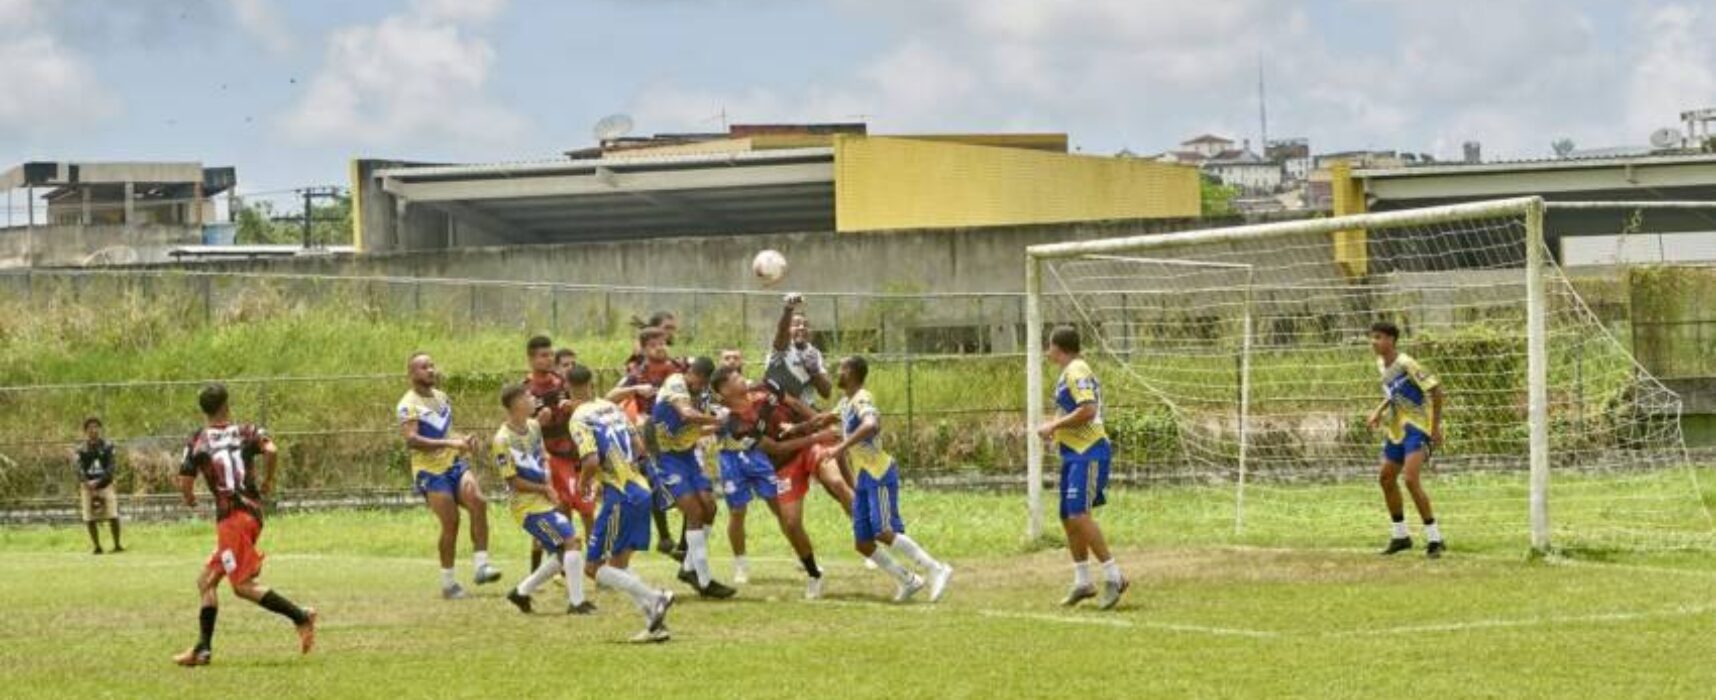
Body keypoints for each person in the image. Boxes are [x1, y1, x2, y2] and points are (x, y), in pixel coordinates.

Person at [172, 383, 316, 667]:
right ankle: (202, 649)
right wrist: (268, 480)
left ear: (203, 410)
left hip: (232, 517)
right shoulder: (246, 430)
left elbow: (186, 481)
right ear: (226, 405)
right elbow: (272, 450)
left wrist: (189, 498)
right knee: (206, 581)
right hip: (250, 513)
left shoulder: (197, 440)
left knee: (241, 586)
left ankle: (301, 616)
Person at [827, 355, 953, 603]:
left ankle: (935, 568)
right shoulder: (845, 403)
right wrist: (795, 428)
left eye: (841, 368)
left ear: (851, 372)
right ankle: (908, 580)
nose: (837, 372)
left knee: (883, 531)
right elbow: (822, 418)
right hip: (864, 477)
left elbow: (871, 424)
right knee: (863, 543)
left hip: (879, 473)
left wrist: (840, 447)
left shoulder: (862, 398)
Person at [566, 365, 676, 643]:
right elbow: (639, 445)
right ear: (592, 383)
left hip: (621, 495)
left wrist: (584, 483)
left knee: (594, 568)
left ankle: (656, 596)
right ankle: (655, 624)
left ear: (569, 387)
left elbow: (590, 460)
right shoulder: (611, 408)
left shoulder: (578, 418)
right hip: (640, 490)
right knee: (619, 563)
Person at [711, 366, 833, 597]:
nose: (742, 376)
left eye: (740, 371)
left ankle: (804, 558)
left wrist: (820, 422)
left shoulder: (763, 387)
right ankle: (741, 564)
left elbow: (795, 404)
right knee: (737, 512)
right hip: (733, 458)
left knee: (783, 512)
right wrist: (817, 436)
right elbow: (775, 447)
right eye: (736, 376)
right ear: (725, 390)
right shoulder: (733, 422)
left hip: (765, 457)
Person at [1035, 326, 1128, 609]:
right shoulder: (1070, 372)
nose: (1047, 351)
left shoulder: (1076, 370)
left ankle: (1115, 576)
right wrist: (1057, 428)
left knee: (1078, 513)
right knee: (1067, 515)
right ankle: (1082, 581)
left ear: (1057, 347)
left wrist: (1054, 425)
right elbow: (1074, 408)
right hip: (1074, 454)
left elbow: (1088, 409)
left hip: (1089, 452)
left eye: (1049, 346)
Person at [397, 352, 501, 599]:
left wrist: (462, 439)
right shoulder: (407, 404)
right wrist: (451, 443)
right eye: (424, 367)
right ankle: (448, 584)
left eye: (432, 365)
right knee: (451, 523)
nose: (431, 370)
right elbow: (412, 440)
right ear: (412, 374)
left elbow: (446, 429)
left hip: (452, 463)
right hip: (429, 471)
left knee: (478, 501)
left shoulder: (442, 398)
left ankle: (481, 566)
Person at [494, 384, 595, 616]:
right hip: (527, 508)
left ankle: (521, 592)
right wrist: (544, 488)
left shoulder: (533, 427)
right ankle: (577, 603)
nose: (533, 400)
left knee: (565, 550)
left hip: (543, 501)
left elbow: (542, 457)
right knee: (571, 542)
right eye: (529, 396)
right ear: (517, 403)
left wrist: (550, 484)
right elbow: (512, 481)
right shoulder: (502, 440)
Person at [763, 294, 856, 519]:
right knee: (786, 506)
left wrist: (814, 371)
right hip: (781, 424)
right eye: (796, 324)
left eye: (805, 324)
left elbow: (826, 391)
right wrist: (787, 310)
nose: (801, 327)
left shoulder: (813, 353)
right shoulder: (781, 350)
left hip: (806, 420)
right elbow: (780, 334)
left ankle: (859, 508)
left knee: (835, 481)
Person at [652, 357, 737, 599]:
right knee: (695, 511)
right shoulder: (675, 383)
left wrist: (723, 421)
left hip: (688, 455)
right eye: (699, 381)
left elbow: (697, 427)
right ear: (692, 374)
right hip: (665, 457)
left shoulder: (703, 394)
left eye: (704, 384)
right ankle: (704, 579)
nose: (700, 387)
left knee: (709, 507)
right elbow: (687, 415)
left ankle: (689, 568)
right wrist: (715, 420)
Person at [1366, 321, 1447, 559]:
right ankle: (1400, 536)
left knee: (1411, 480)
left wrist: (1435, 428)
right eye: (1372, 337)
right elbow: (1393, 393)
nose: (1374, 342)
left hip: (1418, 428)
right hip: (1397, 429)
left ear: (1391, 340)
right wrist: (1378, 411)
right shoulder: (1382, 364)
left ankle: (1435, 539)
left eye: (1378, 337)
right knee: (1386, 478)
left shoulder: (1406, 363)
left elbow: (1436, 391)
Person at [607, 326, 686, 555]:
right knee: (656, 486)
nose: (660, 348)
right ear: (643, 349)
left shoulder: (679, 367)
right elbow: (610, 396)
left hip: (681, 433)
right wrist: (634, 390)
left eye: (662, 343)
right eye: (653, 345)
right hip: (651, 439)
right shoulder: (638, 374)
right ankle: (664, 537)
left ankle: (684, 545)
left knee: (695, 490)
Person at [522, 336, 594, 576]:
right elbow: (518, 426)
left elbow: (585, 405)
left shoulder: (563, 382)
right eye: (543, 355)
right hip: (547, 457)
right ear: (531, 359)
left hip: (572, 455)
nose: (549, 359)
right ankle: (544, 569)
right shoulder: (525, 389)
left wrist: (573, 406)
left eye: (551, 354)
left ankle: (589, 563)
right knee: (556, 511)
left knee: (584, 508)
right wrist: (535, 422)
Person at [74, 417, 123, 554]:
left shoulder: (108, 446)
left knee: (113, 515)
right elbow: (78, 468)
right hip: (87, 487)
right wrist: (86, 482)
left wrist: (100, 481)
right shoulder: (80, 449)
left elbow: (111, 467)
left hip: (106, 485)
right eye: (90, 427)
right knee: (89, 518)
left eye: (96, 427)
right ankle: (97, 546)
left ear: (100, 429)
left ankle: (117, 545)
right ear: (85, 431)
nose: (93, 430)